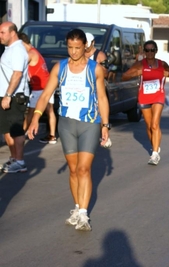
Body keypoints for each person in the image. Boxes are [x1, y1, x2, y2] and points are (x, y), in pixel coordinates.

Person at [27, 29, 110, 231]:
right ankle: (76, 207)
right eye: (70, 48)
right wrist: (35, 118)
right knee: (73, 169)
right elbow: (46, 94)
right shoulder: (60, 68)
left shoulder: (95, 69)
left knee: (83, 169)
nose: (73, 52)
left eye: (78, 48)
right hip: (66, 124)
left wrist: (105, 125)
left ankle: (83, 213)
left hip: (89, 122)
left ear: (85, 47)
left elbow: (101, 98)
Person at [122, 40, 169, 165]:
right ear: (144, 52)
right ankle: (155, 145)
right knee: (148, 125)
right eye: (147, 50)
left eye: (152, 50)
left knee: (155, 124)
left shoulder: (162, 64)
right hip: (144, 97)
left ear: (156, 51)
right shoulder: (140, 64)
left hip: (158, 95)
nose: (150, 52)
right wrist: (136, 73)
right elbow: (125, 76)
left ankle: (155, 154)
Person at [18, 32, 58, 145]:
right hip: (47, 84)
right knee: (49, 110)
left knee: (31, 111)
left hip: (40, 87)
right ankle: (52, 135)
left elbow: (19, 66)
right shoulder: (35, 51)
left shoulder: (30, 53)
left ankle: (21, 133)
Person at [0, 22, 29, 173]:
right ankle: (14, 158)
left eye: (2, 32)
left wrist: (8, 95)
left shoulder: (17, 50)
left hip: (14, 96)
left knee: (16, 129)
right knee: (7, 128)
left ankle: (20, 161)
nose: (0, 36)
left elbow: (17, 74)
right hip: (6, 96)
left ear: (12, 33)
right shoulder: (9, 49)